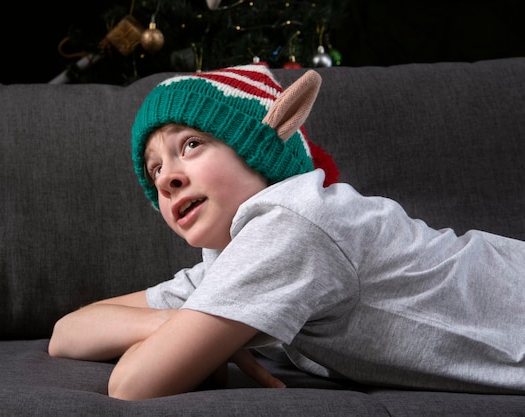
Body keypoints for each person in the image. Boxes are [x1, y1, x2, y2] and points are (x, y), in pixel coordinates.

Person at [49, 64, 525, 400]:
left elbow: (133, 384)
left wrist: (203, 333)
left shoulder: (290, 224)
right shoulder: (228, 264)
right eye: (153, 169)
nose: (165, 178)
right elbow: (67, 333)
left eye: (191, 144)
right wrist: (188, 326)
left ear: (257, 145)